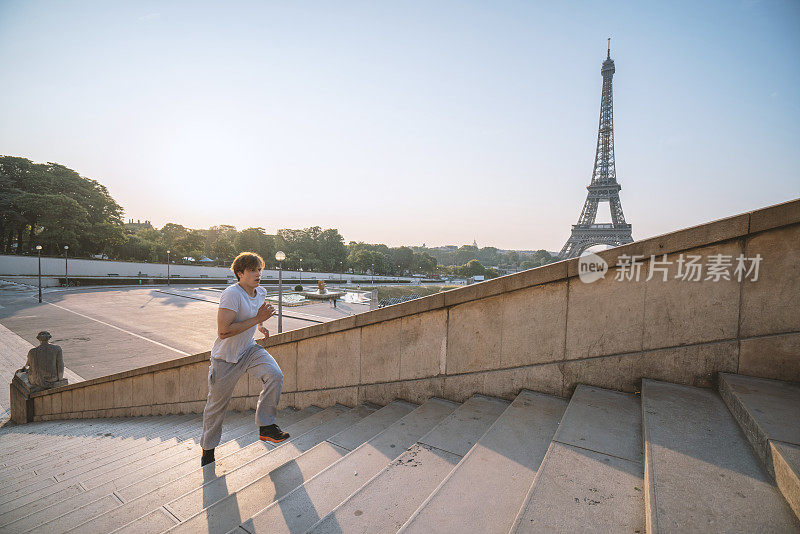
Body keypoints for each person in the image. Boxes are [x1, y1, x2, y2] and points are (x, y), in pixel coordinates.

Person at [200, 252, 289, 467]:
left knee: (275, 375)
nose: (258, 274)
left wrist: (260, 326)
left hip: (248, 350)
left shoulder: (261, 292)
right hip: (226, 359)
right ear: (240, 274)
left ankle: (266, 426)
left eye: (259, 269)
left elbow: (254, 313)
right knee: (216, 408)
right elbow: (223, 331)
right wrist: (258, 319)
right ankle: (208, 451)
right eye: (252, 270)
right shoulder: (231, 294)